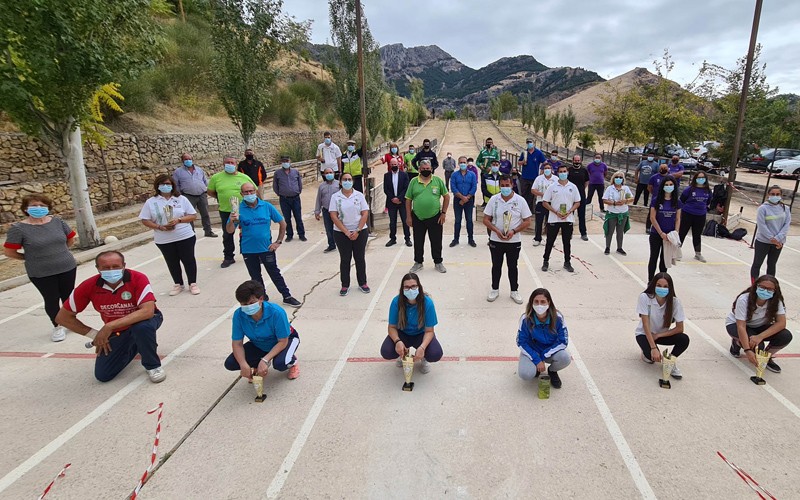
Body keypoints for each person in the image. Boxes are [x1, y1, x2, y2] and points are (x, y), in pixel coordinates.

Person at [55, 251, 165, 383]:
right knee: (103, 375)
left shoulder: (138, 278)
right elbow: (62, 318)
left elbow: (147, 311)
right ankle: (136, 344)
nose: (111, 270)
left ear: (124, 265)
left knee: (142, 328)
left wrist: (109, 326)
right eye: (106, 268)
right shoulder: (89, 285)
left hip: (146, 320)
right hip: (119, 329)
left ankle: (153, 366)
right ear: (98, 268)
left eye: (116, 266)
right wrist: (94, 335)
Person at [4, 194, 77, 342]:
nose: (39, 208)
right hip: (41, 272)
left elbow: (70, 239)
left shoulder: (58, 222)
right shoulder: (18, 229)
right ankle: (57, 326)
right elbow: (9, 252)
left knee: (69, 297)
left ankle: (71, 321)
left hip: (66, 266)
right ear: (25, 209)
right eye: (34, 205)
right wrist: (29, 258)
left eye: (42, 206)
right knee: (51, 299)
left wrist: (59, 252)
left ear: (48, 208)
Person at [227, 183, 301, 307]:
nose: (249, 194)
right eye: (246, 192)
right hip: (248, 250)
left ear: (256, 191)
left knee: (274, 273)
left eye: (251, 191)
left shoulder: (266, 206)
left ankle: (286, 296)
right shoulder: (238, 210)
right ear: (241, 194)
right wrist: (232, 220)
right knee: (255, 277)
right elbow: (229, 230)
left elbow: (282, 223)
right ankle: (263, 298)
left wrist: (278, 242)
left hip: (266, 248)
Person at [224, 280, 300, 383]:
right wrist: (243, 365)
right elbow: (237, 344)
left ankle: (292, 361)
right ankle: (256, 365)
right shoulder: (239, 315)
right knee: (231, 363)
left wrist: (265, 360)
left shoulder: (276, 312)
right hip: (260, 343)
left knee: (280, 363)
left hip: (286, 340)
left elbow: (283, 341)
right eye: (244, 304)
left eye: (251, 303)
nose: (247, 307)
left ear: (261, 299)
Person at [139, 174, 200, 296]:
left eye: (168, 184)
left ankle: (192, 283)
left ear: (172, 185)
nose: (166, 186)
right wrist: (160, 227)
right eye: (163, 184)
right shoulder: (151, 202)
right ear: (157, 186)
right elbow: (145, 219)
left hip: (184, 235)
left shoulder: (181, 199)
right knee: (172, 261)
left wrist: (179, 220)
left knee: (188, 260)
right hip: (164, 238)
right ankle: (178, 283)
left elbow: (193, 215)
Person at [726, 275, 792, 373]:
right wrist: (747, 350)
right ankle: (736, 343)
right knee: (757, 346)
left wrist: (760, 336)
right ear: (756, 286)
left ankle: (766, 357)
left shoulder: (776, 301)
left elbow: (781, 323)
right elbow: (741, 326)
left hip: (759, 326)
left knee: (786, 336)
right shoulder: (744, 299)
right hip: (736, 325)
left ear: (775, 291)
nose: (765, 291)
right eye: (762, 287)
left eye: (769, 289)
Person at [380, 273, 443, 375]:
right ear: (402, 289)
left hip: (421, 334)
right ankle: (402, 353)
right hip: (403, 333)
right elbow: (391, 327)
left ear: (419, 287)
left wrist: (422, 348)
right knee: (386, 351)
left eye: (413, 286)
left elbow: (430, 331)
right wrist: (397, 341)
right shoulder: (396, 302)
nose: (410, 290)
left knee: (435, 354)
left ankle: (423, 358)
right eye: (407, 287)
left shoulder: (427, 303)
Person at [484, 175, 532, 304]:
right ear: (499, 185)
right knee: (496, 265)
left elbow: (527, 221)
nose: (505, 188)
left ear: (512, 185)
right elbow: (486, 219)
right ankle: (494, 289)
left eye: (507, 185)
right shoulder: (494, 200)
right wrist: (496, 231)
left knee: (512, 266)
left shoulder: (520, 201)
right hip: (496, 239)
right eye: (503, 185)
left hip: (513, 240)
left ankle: (514, 291)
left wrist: (514, 231)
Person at [635, 272, 689, 379]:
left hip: (661, 335)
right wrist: (653, 348)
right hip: (645, 334)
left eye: (665, 286)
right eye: (659, 285)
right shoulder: (645, 298)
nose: (662, 289)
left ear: (670, 288)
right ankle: (646, 351)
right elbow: (645, 324)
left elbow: (680, 328)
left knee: (684, 339)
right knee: (651, 358)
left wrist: (659, 335)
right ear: (653, 285)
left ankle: (670, 361)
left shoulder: (675, 302)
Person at [516, 288, 571, 388]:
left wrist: (543, 356)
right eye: (536, 302)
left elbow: (563, 341)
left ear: (549, 302)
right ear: (531, 303)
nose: (539, 305)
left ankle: (552, 371)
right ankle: (535, 368)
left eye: (543, 302)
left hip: (551, 351)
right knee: (526, 374)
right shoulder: (525, 319)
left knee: (565, 358)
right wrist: (536, 359)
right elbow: (521, 342)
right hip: (533, 350)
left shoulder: (558, 317)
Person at [207, 156, 253, 268]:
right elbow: (211, 192)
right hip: (226, 210)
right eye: (227, 162)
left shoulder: (244, 177)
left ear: (236, 164)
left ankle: (252, 254)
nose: (230, 164)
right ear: (223, 164)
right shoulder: (216, 177)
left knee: (249, 231)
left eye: (232, 162)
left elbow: (253, 189)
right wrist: (222, 197)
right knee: (228, 234)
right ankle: (228, 257)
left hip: (244, 210)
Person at [406, 159, 450, 274]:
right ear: (419, 169)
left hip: (435, 217)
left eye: (428, 169)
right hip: (417, 217)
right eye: (423, 169)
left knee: (436, 241)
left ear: (431, 169)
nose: (426, 171)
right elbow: (408, 199)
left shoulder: (438, 181)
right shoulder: (413, 182)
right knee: (418, 241)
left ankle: (438, 262)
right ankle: (418, 262)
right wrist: (408, 216)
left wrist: (443, 213)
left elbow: (446, 197)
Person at [329, 173, 370, 296]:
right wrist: (346, 232)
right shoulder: (335, 197)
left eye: (349, 179)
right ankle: (345, 285)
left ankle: (362, 282)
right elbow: (333, 215)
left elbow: (365, 213)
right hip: (341, 233)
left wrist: (357, 230)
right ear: (340, 182)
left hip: (360, 232)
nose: (347, 181)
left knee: (360, 258)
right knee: (345, 259)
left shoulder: (359, 195)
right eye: (345, 180)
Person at [542, 165, 582, 273]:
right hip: (554, 218)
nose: (563, 173)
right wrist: (555, 212)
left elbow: (577, 202)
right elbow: (545, 202)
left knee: (567, 242)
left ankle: (567, 262)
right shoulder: (552, 187)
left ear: (567, 172)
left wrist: (569, 212)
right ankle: (545, 261)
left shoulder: (573, 187)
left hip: (567, 219)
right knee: (550, 241)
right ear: (557, 173)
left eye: (564, 171)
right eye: (560, 171)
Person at [751, 186, 791, 282]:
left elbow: (786, 224)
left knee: (772, 264)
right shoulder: (763, 209)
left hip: (778, 243)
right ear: (768, 195)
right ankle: (754, 285)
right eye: (772, 194)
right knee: (757, 263)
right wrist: (772, 238)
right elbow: (762, 226)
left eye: (777, 194)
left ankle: (769, 285)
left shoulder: (785, 208)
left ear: (781, 195)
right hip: (763, 241)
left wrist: (778, 238)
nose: (775, 196)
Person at [172, 153, 217, 237]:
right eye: (186, 159)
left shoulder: (199, 170)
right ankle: (191, 232)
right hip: (188, 196)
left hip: (201, 195)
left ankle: (208, 231)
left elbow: (205, 181)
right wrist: (179, 195)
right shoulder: (178, 172)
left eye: (189, 159)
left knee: (205, 213)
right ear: (182, 161)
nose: (188, 161)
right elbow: (176, 184)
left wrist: (207, 190)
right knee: (189, 215)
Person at [648, 177, 682, 282]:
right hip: (656, 234)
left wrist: (675, 232)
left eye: (671, 184)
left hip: (669, 236)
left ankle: (662, 281)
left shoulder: (677, 202)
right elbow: (652, 218)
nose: (668, 187)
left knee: (665, 259)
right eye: (666, 185)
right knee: (653, 258)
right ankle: (650, 281)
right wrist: (661, 233)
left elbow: (677, 218)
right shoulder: (656, 201)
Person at [679, 171, 711, 263]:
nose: (701, 179)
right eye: (699, 177)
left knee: (697, 235)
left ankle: (698, 253)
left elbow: (708, 201)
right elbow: (682, 200)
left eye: (703, 178)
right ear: (695, 179)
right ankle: (676, 251)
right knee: (682, 232)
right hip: (687, 213)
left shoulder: (707, 190)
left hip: (701, 215)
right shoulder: (689, 189)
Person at [272, 155, 306, 242]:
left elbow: (300, 184)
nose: (285, 163)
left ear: (290, 161)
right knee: (287, 218)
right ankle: (289, 235)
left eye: (287, 161)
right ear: (281, 163)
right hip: (284, 199)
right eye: (283, 161)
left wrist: (297, 191)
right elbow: (275, 186)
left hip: (295, 198)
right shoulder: (277, 173)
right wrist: (280, 194)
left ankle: (301, 234)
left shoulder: (295, 172)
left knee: (298, 217)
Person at [601, 171, 633, 255]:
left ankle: (619, 247)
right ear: (613, 178)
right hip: (612, 212)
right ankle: (607, 247)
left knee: (620, 231)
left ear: (623, 179)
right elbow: (604, 200)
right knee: (610, 231)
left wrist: (625, 200)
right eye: (617, 177)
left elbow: (631, 198)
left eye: (620, 177)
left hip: (623, 213)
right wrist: (614, 203)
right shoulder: (610, 188)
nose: (618, 179)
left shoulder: (625, 188)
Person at [449, 156, 478, 248]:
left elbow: (474, 187)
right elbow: (453, 187)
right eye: (461, 162)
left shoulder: (472, 174)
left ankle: (471, 239)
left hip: (469, 200)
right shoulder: (454, 175)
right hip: (458, 200)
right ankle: (456, 239)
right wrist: (461, 197)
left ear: (466, 163)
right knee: (457, 220)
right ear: (458, 164)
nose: (463, 164)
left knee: (469, 220)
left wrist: (467, 198)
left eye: (464, 162)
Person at [383, 158, 412, 248]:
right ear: (390, 165)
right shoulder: (386, 175)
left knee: (405, 220)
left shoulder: (404, 175)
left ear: (399, 164)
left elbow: (406, 188)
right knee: (392, 222)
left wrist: (399, 198)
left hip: (402, 202)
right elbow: (386, 189)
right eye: (392, 165)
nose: (394, 166)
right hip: (391, 202)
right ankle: (392, 238)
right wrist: (392, 198)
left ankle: (407, 239)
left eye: (395, 164)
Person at [530, 162, 557, 246]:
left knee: (550, 222)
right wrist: (542, 194)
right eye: (545, 168)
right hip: (540, 202)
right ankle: (537, 238)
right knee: (539, 221)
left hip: (551, 203)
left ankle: (550, 239)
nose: (547, 170)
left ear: (551, 169)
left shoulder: (556, 179)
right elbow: (533, 190)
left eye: (549, 168)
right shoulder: (539, 178)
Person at [315, 167, 340, 253]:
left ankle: (342, 244)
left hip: (338, 211)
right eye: (327, 173)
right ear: (324, 175)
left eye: (330, 172)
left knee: (340, 228)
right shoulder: (321, 186)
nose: (329, 174)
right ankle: (331, 245)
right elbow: (319, 199)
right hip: (326, 210)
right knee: (329, 229)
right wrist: (317, 211)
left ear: (334, 173)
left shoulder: (339, 184)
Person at [518, 139, 547, 214]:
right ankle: (523, 209)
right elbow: (519, 162)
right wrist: (523, 162)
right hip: (524, 177)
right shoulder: (524, 153)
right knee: (524, 193)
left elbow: (545, 162)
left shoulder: (538, 153)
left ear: (533, 143)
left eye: (530, 142)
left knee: (532, 195)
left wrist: (542, 171)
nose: (529, 144)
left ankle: (531, 210)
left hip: (534, 177)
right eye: (527, 143)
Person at [567, 155, 590, 240]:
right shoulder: (569, 170)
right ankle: (569, 233)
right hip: (570, 196)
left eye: (578, 160)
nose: (577, 162)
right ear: (572, 160)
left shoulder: (584, 170)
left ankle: (583, 233)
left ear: (581, 161)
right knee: (570, 214)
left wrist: (581, 189)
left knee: (581, 215)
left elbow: (587, 181)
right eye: (575, 160)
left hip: (581, 196)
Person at [646, 164, 672, 233]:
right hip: (656, 199)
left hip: (667, 199)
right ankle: (648, 227)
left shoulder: (670, 177)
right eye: (661, 168)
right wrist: (654, 194)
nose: (663, 169)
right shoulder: (654, 177)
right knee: (651, 214)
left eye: (664, 168)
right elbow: (649, 187)